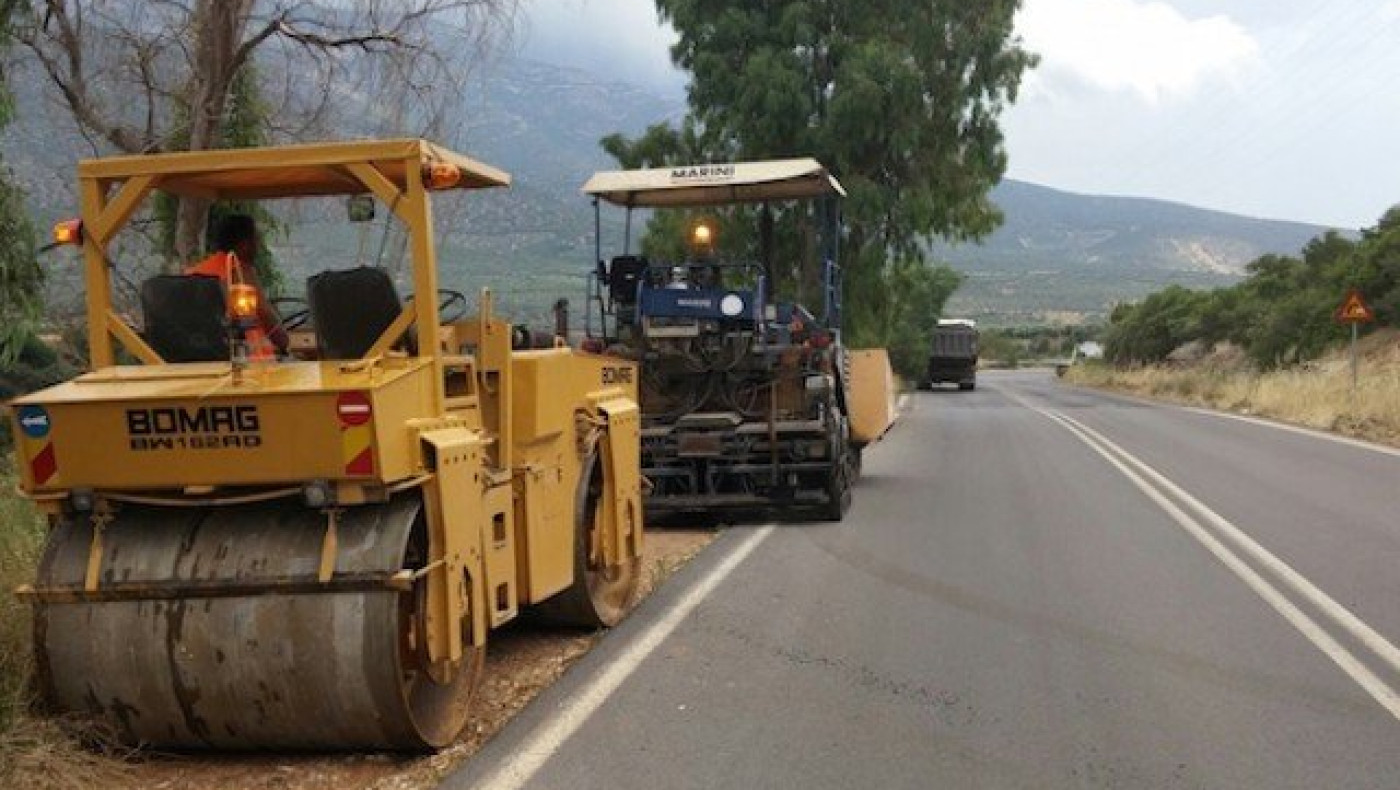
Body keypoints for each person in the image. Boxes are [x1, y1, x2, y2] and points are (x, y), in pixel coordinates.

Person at [186, 214, 288, 360]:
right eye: (256, 239)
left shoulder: (194, 273)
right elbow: (265, 314)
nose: (259, 245)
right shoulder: (240, 272)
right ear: (245, 244)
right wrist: (284, 341)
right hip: (254, 360)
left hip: (209, 360)